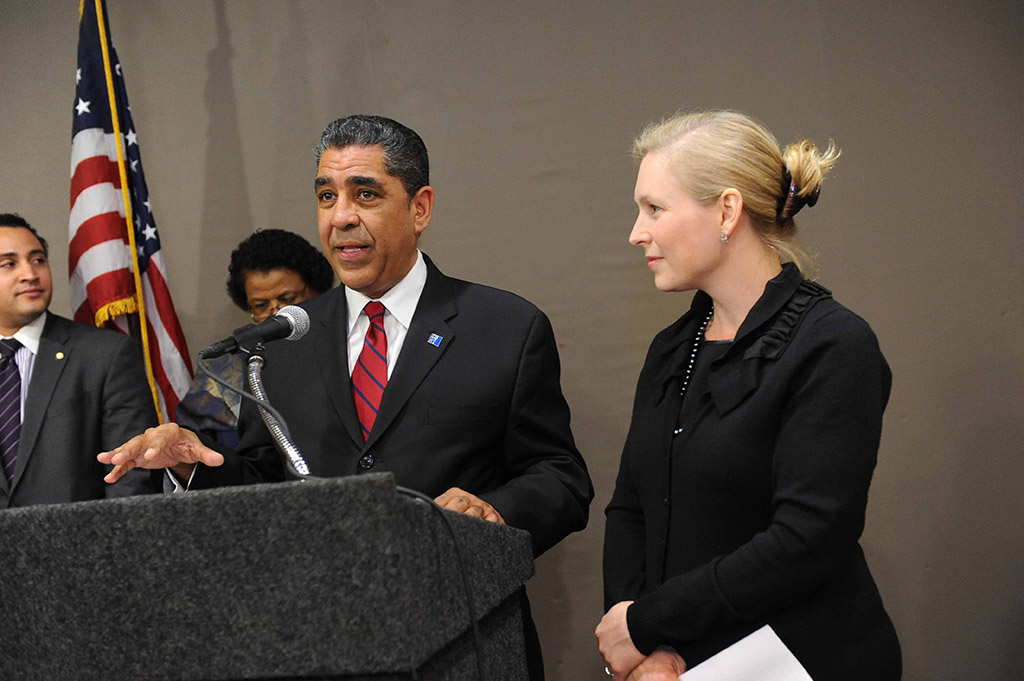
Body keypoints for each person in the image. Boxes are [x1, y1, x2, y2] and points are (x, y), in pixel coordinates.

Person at [100, 115, 593, 679]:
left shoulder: (504, 326)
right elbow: (266, 483)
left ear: (420, 208)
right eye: (326, 196)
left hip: (466, 644)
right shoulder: (283, 341)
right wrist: (195, 465)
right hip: (318, 645)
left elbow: (561, 478)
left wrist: (495, 510)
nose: (340, 218)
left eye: (365, 194)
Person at [595, 111, 900, 681]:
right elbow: (631, 510)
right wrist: (643, 650)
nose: (636, 233)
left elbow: (806, 541)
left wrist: (646, 624)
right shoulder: (672, 347)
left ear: (727, 211)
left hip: (800, 662)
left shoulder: (833, 345)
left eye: (654, 208)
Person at [0, 213, 157, 508]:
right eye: (9, 264)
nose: (30, 274)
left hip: (79, 536)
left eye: (38, 260)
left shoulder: (105, 354)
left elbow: (131, 479)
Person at [175, 229, 334, 447]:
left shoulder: (343, 346)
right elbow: (195, 445)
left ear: (316, 290)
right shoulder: (224, 371)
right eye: (261, 305)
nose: (276, 312)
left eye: (287, 299)